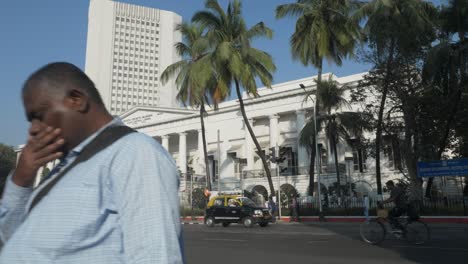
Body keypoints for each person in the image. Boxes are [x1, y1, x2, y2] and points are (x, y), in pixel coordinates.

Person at [0, 62, 184, 263]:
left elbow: (155, 256)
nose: (34, 129)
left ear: (76, 100)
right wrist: (21, 180)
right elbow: (15, 239)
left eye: (39, 116)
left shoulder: (134, 153)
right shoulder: (66, 168)